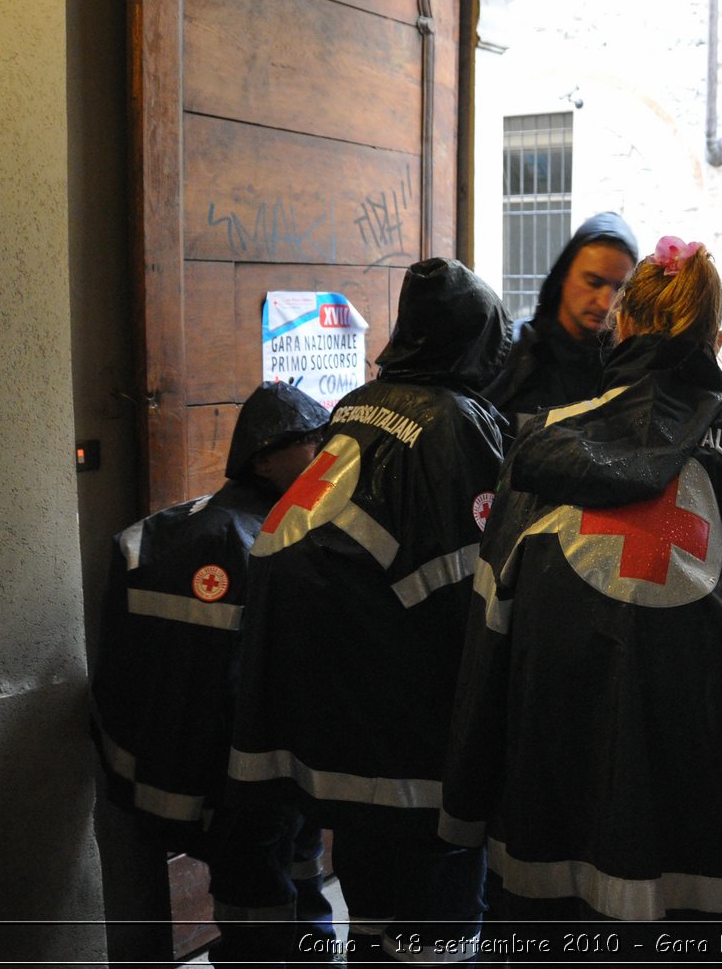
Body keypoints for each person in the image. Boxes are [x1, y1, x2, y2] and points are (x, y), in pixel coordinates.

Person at [440, 235, 722, 964]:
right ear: (718, 341)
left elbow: (489, 639)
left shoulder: (540, 447)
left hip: (556, 843)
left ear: (623, 327)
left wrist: (462, 813)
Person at [228, 258, 511, 963]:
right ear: (479, 341)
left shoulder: (358, 402)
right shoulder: (456, 424)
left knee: (376, 924)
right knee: (436, 937)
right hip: (413, 750)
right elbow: (474, 595)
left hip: (331, 737)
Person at [90, 380, 334, 967]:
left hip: (232, 776)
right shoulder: (266, 545)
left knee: (290, 874)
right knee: (261, 898)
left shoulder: (168, 534)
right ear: (266, 457)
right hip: (250, 775)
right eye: (313, 442)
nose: (328, 457)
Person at [482, 212, 638, 432]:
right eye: (593, 282)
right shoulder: (511, 353)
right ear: (564, 275)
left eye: (620, 288)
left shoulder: (628, 370)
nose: (606, 303)